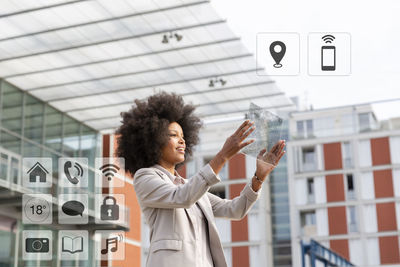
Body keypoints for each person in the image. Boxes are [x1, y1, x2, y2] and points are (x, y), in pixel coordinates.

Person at [116, 92, 285, 267]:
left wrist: (259, 177)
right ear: (153, 140)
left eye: (183, 136)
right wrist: (222, 156)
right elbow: (182, 197)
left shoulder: (192, 187)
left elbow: (235, 210)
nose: (182, 141)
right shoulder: (145, 177)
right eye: (173, 135)